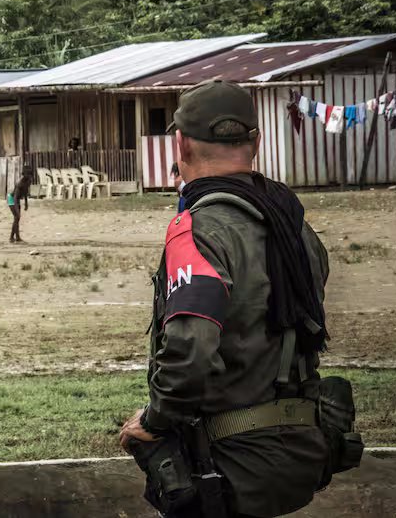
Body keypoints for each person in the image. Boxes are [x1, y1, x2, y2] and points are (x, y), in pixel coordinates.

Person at [119, 81, 333, 517]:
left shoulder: (197, 230)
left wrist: (154, 419)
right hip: (297, 448)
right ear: (256, 141)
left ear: (179, 143)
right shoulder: (296, 228)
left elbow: (190, 352)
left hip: (223, 460)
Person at [8, 168, 32, 243]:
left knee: (17, 219)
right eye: (27, 174)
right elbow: (15, 197)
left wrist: (26, 203)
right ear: (24, 175)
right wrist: (17, 210)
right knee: (16, 217)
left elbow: (25, 191)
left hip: (17, 199)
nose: (29, 176)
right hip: (12, 199)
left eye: (30, 175)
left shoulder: (28, 181)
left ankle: (17, 237)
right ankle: (12, 237)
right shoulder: (19, 183)